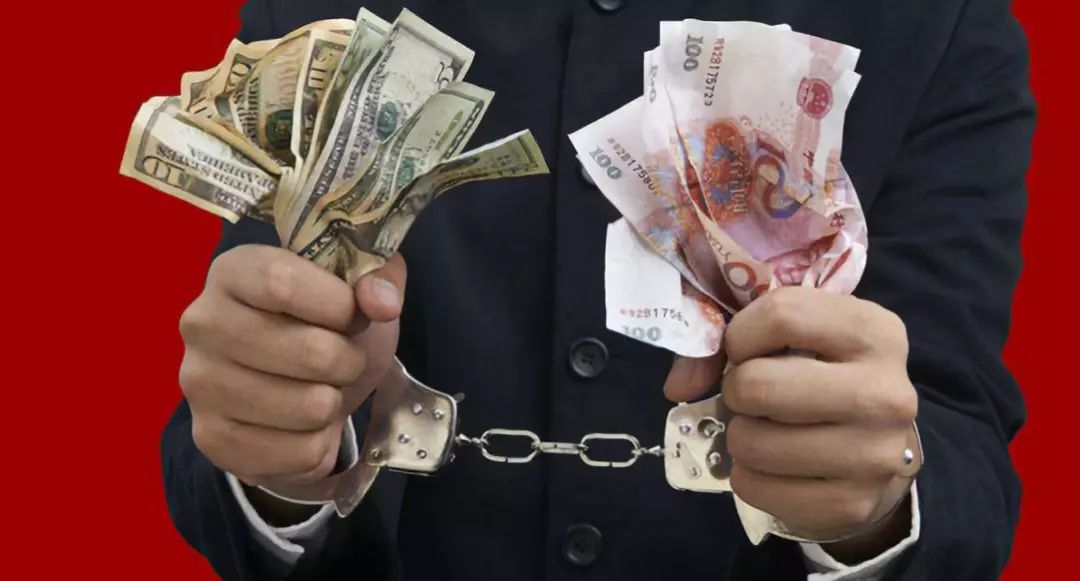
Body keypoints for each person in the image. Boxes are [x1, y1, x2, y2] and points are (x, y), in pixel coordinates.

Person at [161, 0, 1035, 579]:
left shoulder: (938, 20)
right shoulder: (326, 8)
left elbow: (960, 453)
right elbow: (226, 428)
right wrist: (281, 455)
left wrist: (879, 505)